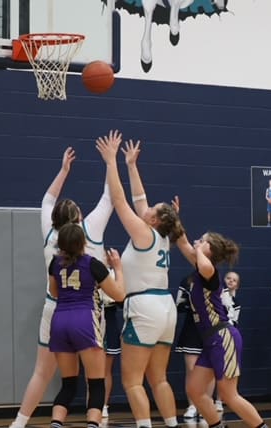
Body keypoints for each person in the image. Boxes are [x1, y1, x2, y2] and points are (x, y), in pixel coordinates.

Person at [9, 147, 113, 428]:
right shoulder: (89, 231)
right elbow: (109, 197)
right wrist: (111, 162)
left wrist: (64, 170)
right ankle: (96, 419)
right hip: (87, 310)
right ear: (78, 217)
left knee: (42, 373)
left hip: (54, 309)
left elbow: (47, 200)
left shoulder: (50, 234)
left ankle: (19, 423)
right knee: (94, 376)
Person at [95, 132, 184, 428]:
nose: (145, 209)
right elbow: (139, 200)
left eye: (151, 210)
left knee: (132, 381)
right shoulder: (162, 236)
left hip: (145, 307)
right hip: (165, 307)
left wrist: (111, 162)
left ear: (154, 220)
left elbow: (121, 200)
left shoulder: (144, 233)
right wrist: (132, 165)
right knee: (159, 378)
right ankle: (172, 424)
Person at [175, 228, 269, 428]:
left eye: (202, 240)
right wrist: (174, 219)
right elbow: (182, 242)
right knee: (195, 390)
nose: (196, 241)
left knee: (228, 394)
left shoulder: (210, 272)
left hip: (223, 337)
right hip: (211, 340)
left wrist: (198, 250)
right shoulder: (200, 267)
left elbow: (201, 260)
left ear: (209, 248)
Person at [47, 223, 126, 428]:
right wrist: (118, 268)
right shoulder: (92, 264)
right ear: (83, 242)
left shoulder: (54, 263)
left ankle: (56, 423)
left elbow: (54, 292)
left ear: (60, 243)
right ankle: (92, 424)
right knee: (96, 383)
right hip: (84, 320)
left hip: (59, 321)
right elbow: (119, 295)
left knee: (68, 384)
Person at [175, 275, 215, 419]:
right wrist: (191, 303)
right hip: (191, 329)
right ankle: (192, 405)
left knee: (210, 370)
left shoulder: (216, 280)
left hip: (211, 329)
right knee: (191, 369)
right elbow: (178, 304)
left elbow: (224, 307)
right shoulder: (187, 280)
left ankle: (207, 405)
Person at [99, 287, 123, 418]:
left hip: (109, 317)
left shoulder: (114, 276)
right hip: (89, 315)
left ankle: (103, 405)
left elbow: (121, 299)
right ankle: (92, 404)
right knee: (91, 369)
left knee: (106, 369)